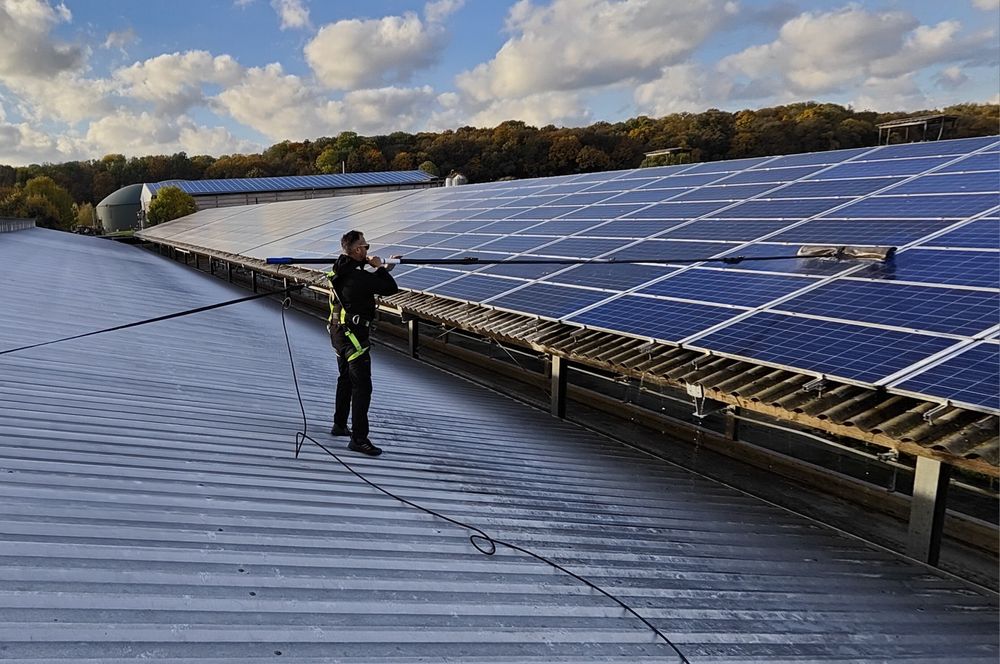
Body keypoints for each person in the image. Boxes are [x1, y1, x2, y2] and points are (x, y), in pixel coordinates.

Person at [325, 230, 400, 456]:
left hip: (338, 334)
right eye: (366, 247)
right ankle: (359, 438)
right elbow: (389, 288)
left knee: (345, 379)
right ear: (357, 250)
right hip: (354, 338)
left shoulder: (339, 269)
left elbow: (361, 282)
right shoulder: (356, 277)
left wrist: (376, 268)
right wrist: (380, 267)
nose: (368, 250)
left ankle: (339, 424)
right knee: (362, 388)